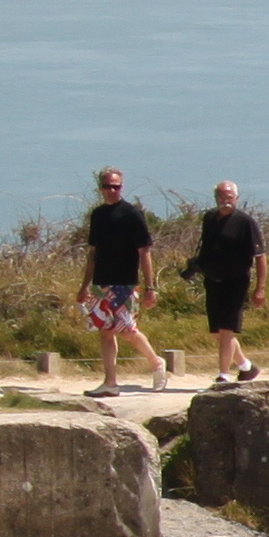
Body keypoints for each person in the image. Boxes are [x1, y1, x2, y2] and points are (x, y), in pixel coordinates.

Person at [80, 166, 171, 396]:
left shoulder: (132, 214)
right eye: (108, 186)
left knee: (127, 329)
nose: (112, 190)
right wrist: (85, 285)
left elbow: (145, 252)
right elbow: (93, 252)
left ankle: (156, 363)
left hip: (125, 282)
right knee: (105, 331)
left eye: (116, 186)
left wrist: (150, 287)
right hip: (102, 282)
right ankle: (110, 382)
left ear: (122, 187)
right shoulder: (98, 215)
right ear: (100, 188)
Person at [189, 182, 266, 381]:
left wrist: (260, 288)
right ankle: (245, 366)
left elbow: (260, 256)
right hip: (213, 280)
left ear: (237, 198)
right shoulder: (209, 218)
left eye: (230, 197)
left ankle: (223, 374)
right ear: (216, 198)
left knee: (226, 330)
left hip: (236, 282)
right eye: (222, 197)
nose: (226, 200)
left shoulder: (245, 222)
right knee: (218, 331)